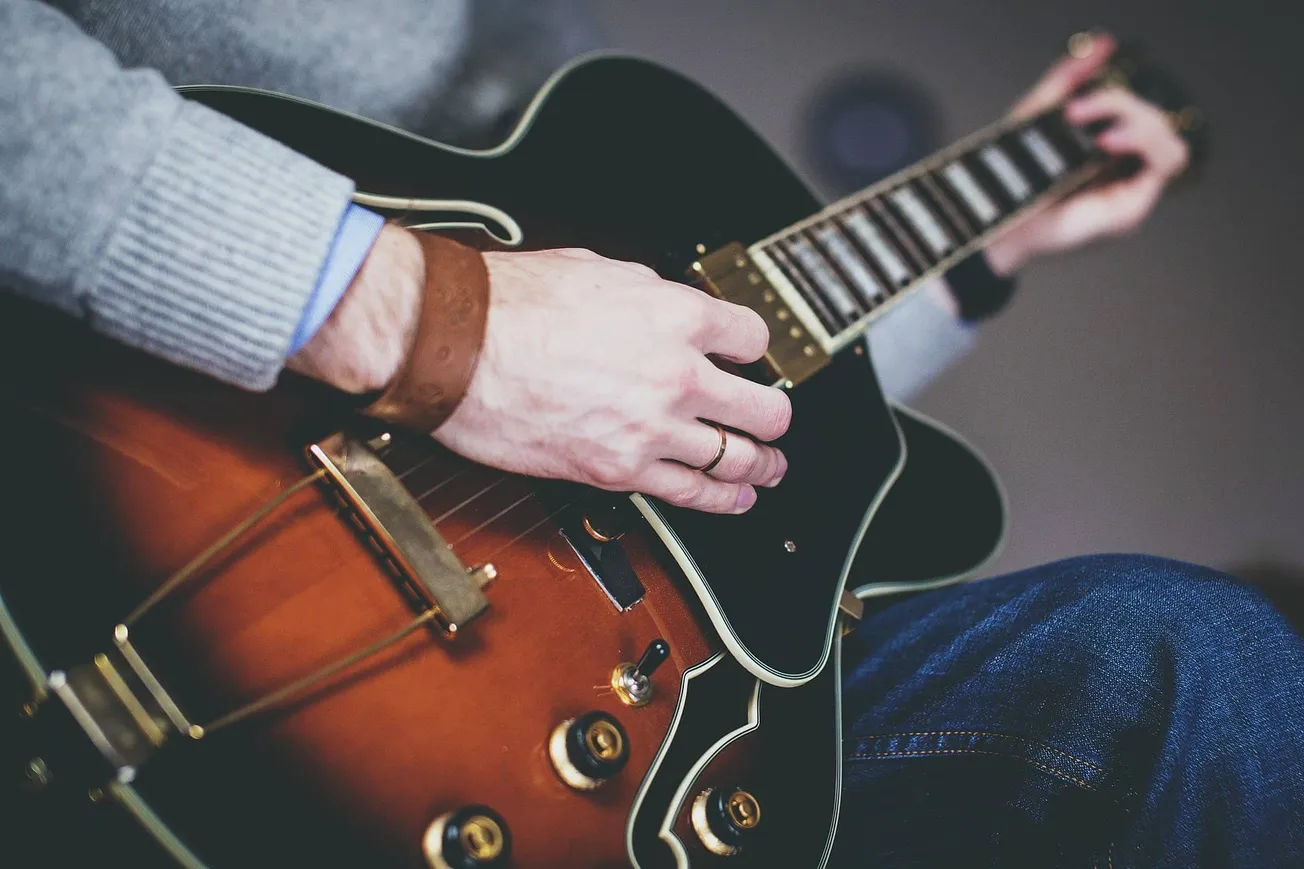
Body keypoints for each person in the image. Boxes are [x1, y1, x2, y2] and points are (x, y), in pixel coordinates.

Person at [2, 2, 1300, 866]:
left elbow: (684, 379)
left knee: (1201, 658)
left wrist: (985, 238)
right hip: (167, 451)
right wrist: (438, 327)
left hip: (600, 639)